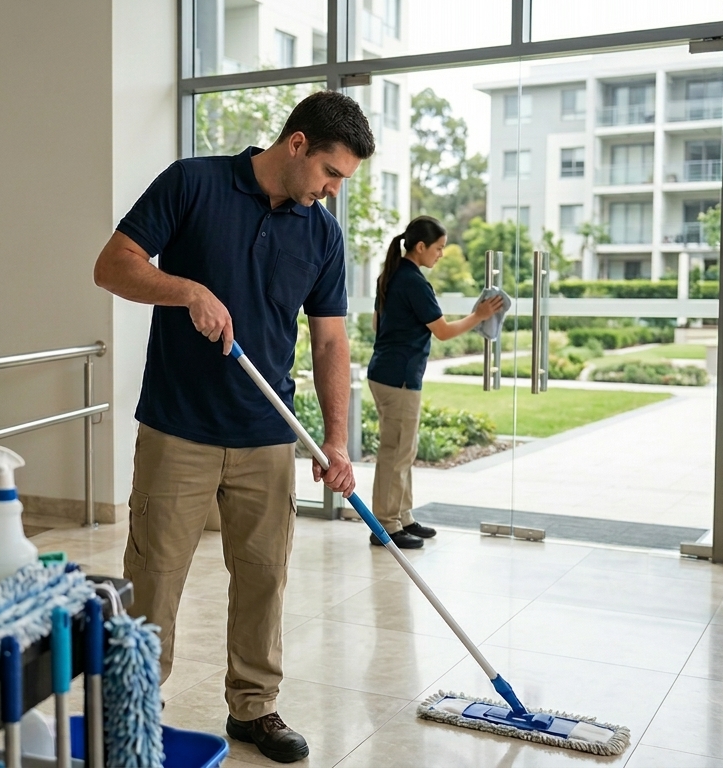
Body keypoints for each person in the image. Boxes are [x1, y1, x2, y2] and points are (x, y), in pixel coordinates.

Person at [92, 91, 374, 764]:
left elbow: (330, 342)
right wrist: (185, 289)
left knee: (263, 576)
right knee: (155, 574)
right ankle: (138, 701)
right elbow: (112, 265)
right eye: (331, 174)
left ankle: (255, 708)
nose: (334, 192)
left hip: (265, 433)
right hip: (177, 427)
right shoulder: (193, 183)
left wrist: (335, 440)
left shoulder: (322, 234)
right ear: (298, 144)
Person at [365, 216, 504, 549]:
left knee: (403, 450)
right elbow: (442, 331)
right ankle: (385, 526)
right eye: (439, 248)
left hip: (389, 373)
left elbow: (377, 324)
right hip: (397, 378)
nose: (441, 255)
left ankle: (403, 516)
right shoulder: (412, 281)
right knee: (396, 452)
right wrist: (479, 316)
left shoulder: (394, 275)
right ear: (421, 247)